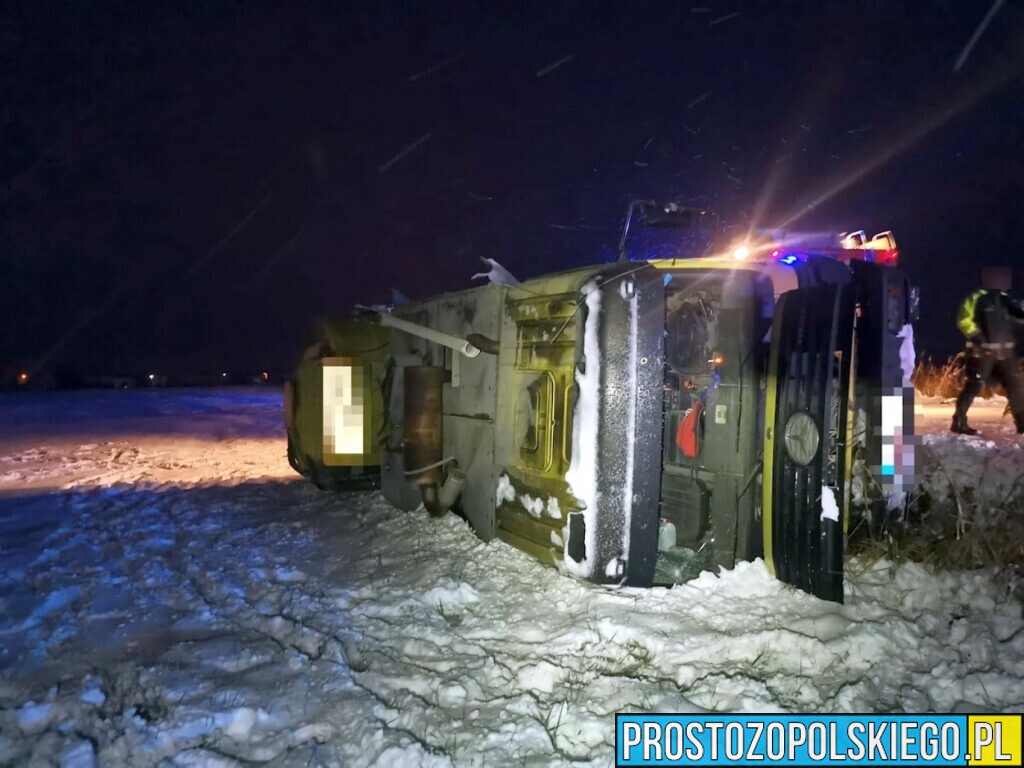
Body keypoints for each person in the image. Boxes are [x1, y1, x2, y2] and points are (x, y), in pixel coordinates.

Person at [951, 266, 1024, 435]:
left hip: (1005, 354)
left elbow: (1018, 319)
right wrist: (980, 341)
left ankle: (1022, 423)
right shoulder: (976, 298)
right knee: (974, 386)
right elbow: (964, 321)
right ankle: (959, 422)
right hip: (981, 353)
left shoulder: (1006, 299)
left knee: (1015, 387)